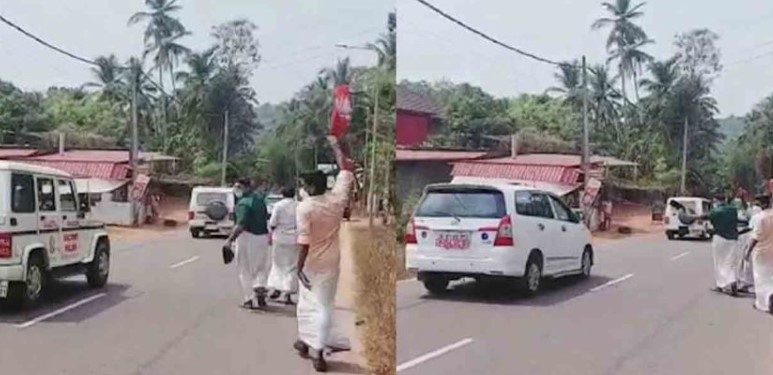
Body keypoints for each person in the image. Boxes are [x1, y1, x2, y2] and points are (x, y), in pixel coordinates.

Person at [293, 136, 354, 372]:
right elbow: (346, 168)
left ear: (309, 187)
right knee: (324, 304)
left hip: (310, 263)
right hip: (331, 261)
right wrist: (337, 146)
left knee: (308, 304)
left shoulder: (305, 208)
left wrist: (298, 267)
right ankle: (311, 343)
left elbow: (304, 242)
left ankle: (316, 348)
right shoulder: (336, 199)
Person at [223, 178, 271, 310]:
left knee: (245, 269)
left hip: (247, 237)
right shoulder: (260, 201)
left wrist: (230, 240)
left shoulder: (243, 204)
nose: (236, 189)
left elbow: (240, 225)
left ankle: (249, 299)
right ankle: (260, 289)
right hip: (262, 237)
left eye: (238, 187)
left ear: (246, 187)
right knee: (260, 267)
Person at [703, 193, 743, 296]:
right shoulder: (733, 210)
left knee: (719, 262)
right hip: (733, 239)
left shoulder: (715, 212)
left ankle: (720, 285)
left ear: (716, 200)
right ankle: (733, 284)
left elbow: (707, 219)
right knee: (730, 263)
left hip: (719, 239)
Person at [267, 186, 299, 305]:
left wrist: (271, 232)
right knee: (292, 267)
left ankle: (276, 288)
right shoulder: (298, 205)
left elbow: (273, 222)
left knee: (278, 265)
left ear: (282, 194)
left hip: (280, 238)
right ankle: (287, 295)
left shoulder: (279, 206)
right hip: (295, 238)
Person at [745, 194, 773, 314]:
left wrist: (747, 252)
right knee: (771, 277)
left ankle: (763, 303)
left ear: (760, 204)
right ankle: (771, 294)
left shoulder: (760, 218)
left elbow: (755, 238)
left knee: (760, 277)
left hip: (761, 252)